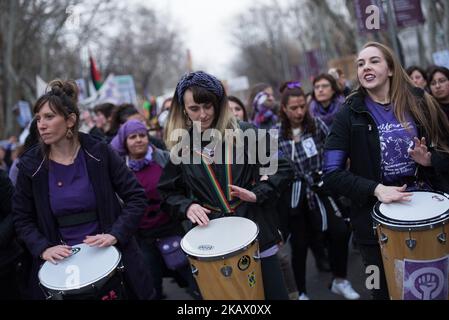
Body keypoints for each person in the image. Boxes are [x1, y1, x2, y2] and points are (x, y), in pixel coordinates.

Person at [323, 42, 449, 300]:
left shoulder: (420, 102)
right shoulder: (348, 113)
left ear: (390, 68)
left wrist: (430, 161)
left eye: (373, 61)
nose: (365, 67)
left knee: (433, 289)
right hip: (372, 225)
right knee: (380, 290)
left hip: (427, 214)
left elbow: (445, 154)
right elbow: (331, 173)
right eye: (360, 63)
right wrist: (376, 189)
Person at [12, 80, 155, 300]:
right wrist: (42, 248)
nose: (41, 125)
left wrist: (115, 234)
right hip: (62, 268)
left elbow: (136, 197)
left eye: (49, 117)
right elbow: (22, 218)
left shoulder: (99, 152)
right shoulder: (31, 165)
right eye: (38, 118)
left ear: (70, 120)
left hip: (112, 259)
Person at [158, 71, 293, 300]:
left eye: (208, 106)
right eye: (194, 109)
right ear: (184, 109)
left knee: (273, 295)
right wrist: (188, 207)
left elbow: (283, 168)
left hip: (255, 229)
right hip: (213, 240)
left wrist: (257, 193)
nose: (202, 114)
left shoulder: (246, 132)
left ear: (218, 104)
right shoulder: (182, 147)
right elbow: (168, 193)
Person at [276, 81, 359, 300]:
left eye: (303, 106)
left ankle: (340, 280)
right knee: (300, 245)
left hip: (320, 189)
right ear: (284, 108)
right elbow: (271, 172)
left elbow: (333, 153)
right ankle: (300, 292)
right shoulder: (274, 135)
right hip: (295, 196)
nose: (300, 111)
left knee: (340, 231)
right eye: (294, 108)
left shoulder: (317, 125)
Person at [111, 119, 197, 299]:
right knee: (151, 283)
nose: (138, 140)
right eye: (132, 137)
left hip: (172, 228)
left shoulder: (164, 158)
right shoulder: (119, 169)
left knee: (193, 277)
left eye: (142, 135)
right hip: (142, 236)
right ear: (124, 142)